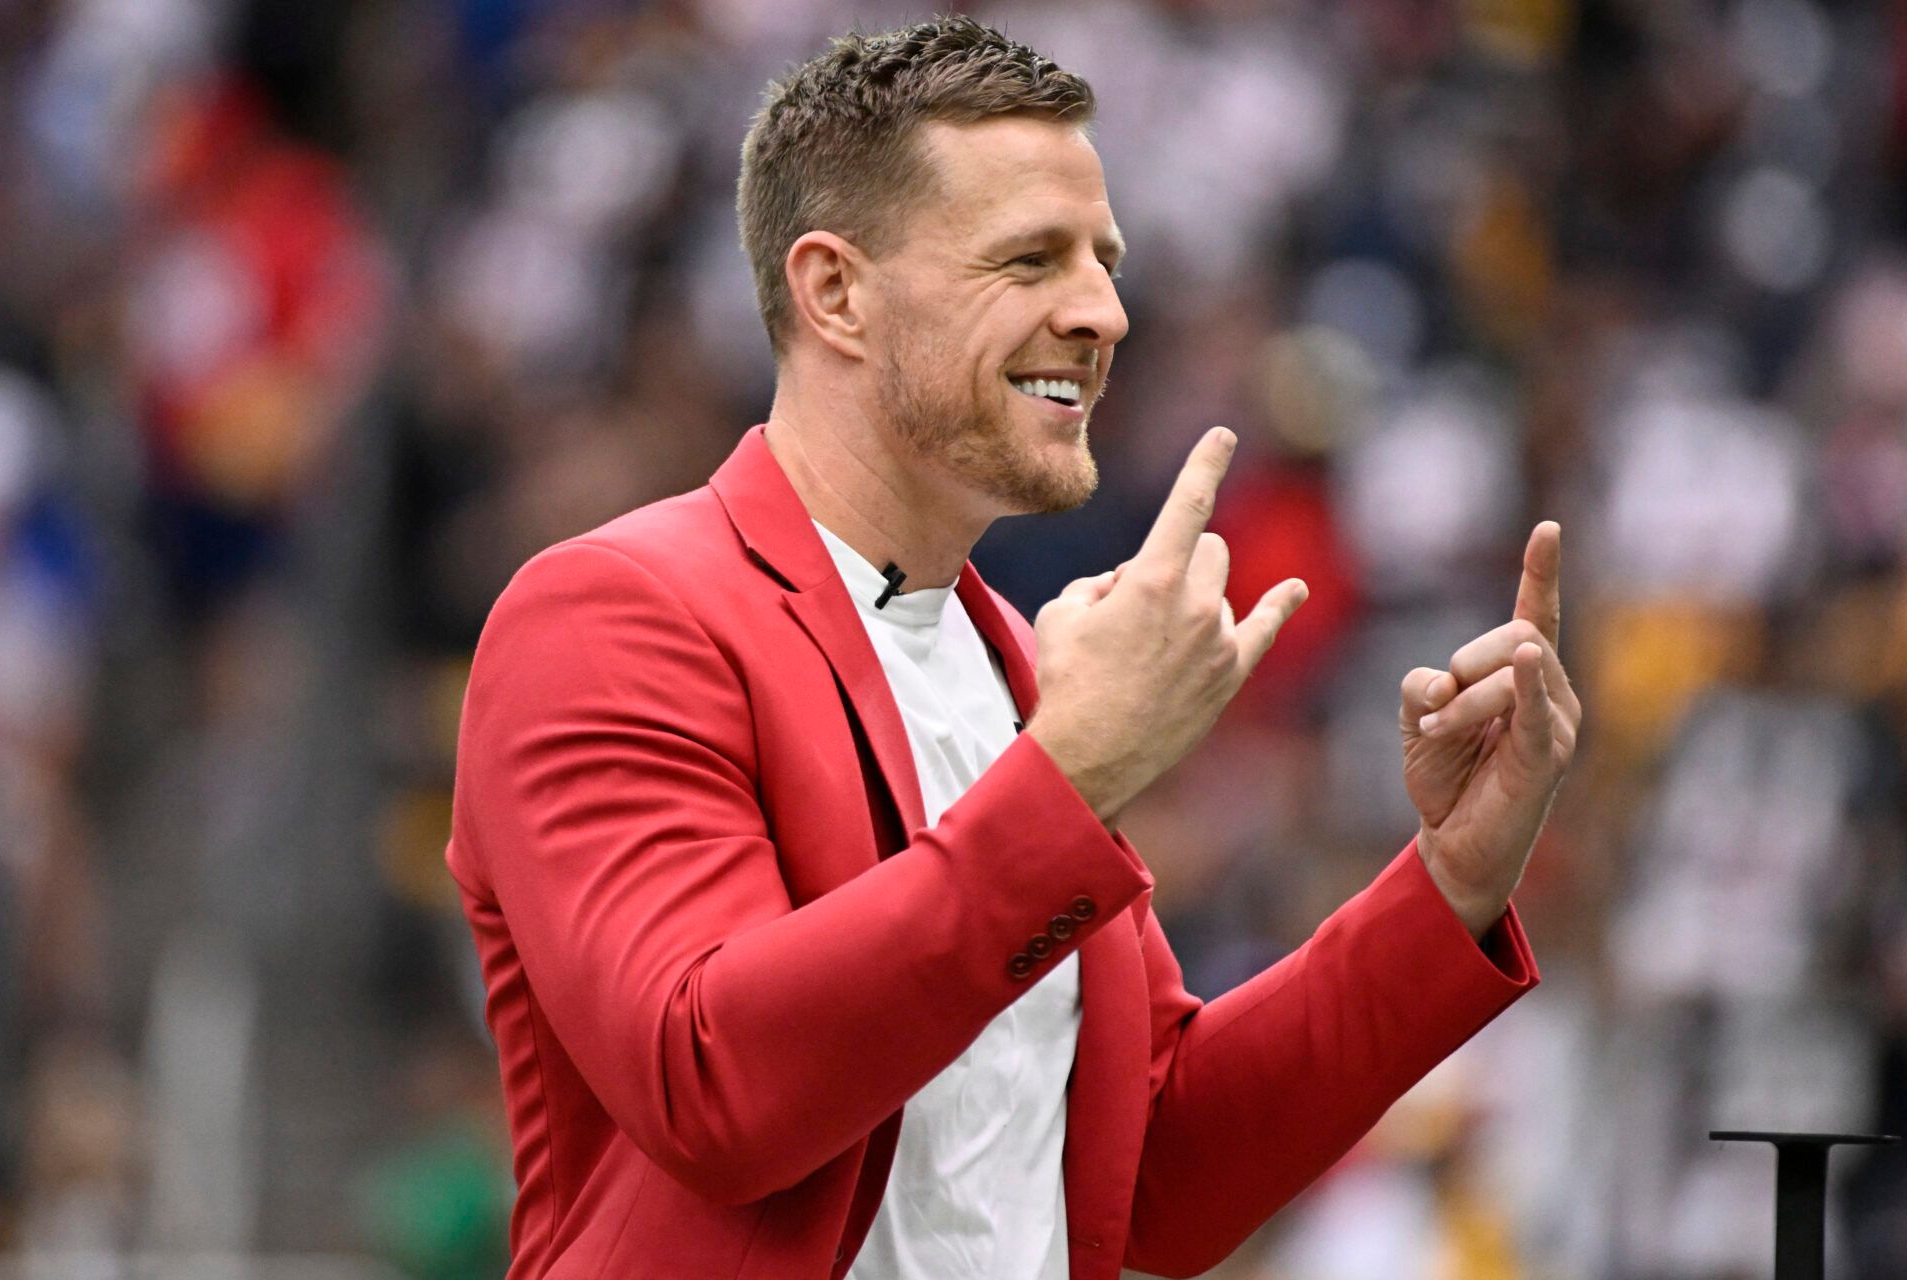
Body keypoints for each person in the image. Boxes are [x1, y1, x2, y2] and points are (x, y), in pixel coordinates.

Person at [447, 17, 1580, 1279]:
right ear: (835, 292)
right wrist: (1070, 776)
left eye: (1105, 260)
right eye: (1030, 259)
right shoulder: (613, 615)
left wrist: (1450, 884)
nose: (1101, 312)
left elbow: (1153, 1171)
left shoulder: (1014, 672)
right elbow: (712, 1084)